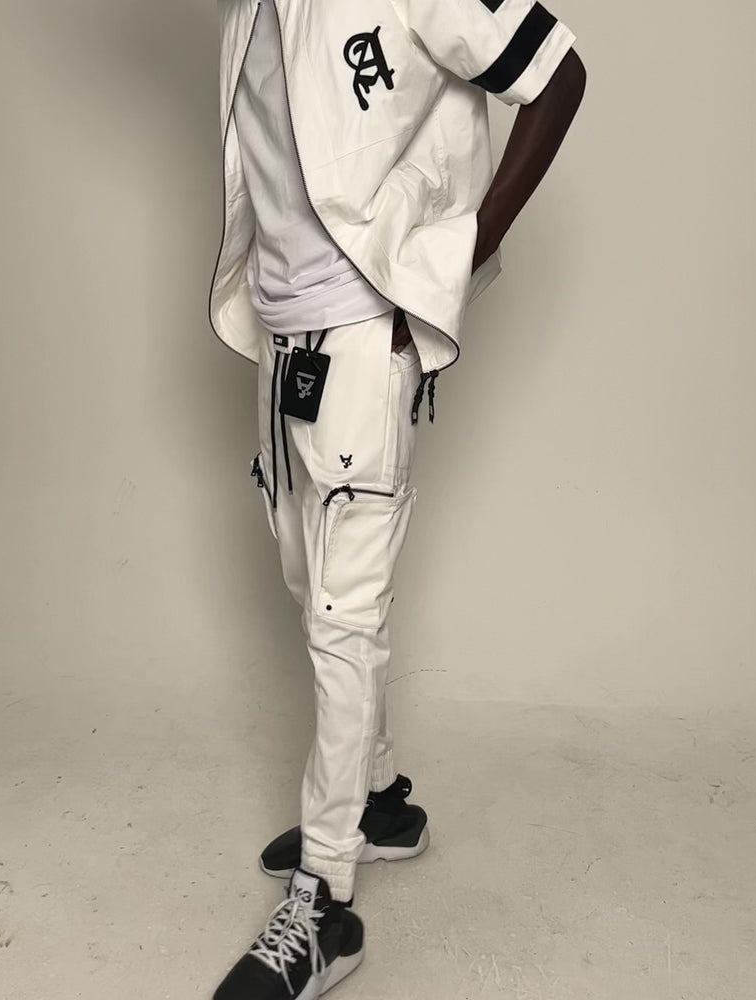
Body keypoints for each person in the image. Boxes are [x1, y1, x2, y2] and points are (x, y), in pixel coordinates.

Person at [208, 0, 585, 995]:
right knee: (310, 584)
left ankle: (325, 904)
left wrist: (449, 262)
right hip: (280, 338)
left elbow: (556, 73)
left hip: (362, 335)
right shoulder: (244, 9)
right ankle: (373, 800)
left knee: (343, 618)